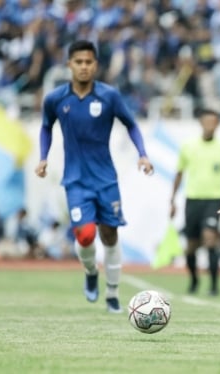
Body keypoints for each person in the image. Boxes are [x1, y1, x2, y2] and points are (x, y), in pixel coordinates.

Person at [35, 40, 154, 313]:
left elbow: (131, 124)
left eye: (89, 62)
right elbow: (45, 127)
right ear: (69, 65)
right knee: (86, 235)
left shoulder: (109, 96)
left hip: (106, 179)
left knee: (109, 234)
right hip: (75, 180)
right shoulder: (56, 99)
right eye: (79, 62)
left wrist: (143, 154)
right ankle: (90, 272)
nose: (84, 67)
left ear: (96, 65)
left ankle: (112, 293)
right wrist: (43, 157)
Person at [169, 108, 220, 296]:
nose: (210, 125)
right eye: (207, 121)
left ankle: (213, 285)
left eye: (214, 121)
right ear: (201, 122)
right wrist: (172, 200)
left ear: (218, 124)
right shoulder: (188, 146)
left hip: (214, 200)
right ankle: (194, 280)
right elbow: (179, 173)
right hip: (192, 200)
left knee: (210, 239)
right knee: (191, 246)